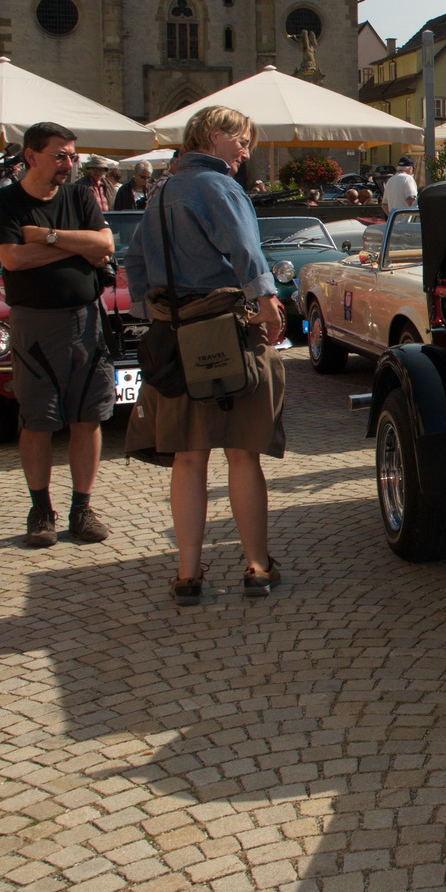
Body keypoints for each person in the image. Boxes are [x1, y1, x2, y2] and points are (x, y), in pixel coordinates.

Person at [124, 106, 287, 605]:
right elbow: (245, 249)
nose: (245, 151)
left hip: (175, 333)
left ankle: (189, 573)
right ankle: (257, 567)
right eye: (240, 141)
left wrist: (149, 312)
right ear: (213, 135)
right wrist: (268, 301)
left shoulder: (160, 191)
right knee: (242, 453)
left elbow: (133, 261)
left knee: (188, 459)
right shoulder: (218, 187)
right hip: (228, 331)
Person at [0, 122, 117, 548]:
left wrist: (49, 236)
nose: (69, 163)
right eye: (60, 155)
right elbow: (13, 258)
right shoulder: (6, 200)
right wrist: (77, 244)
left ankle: (83, 507)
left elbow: (105, 245)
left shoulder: (79, 194)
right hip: (35, 325)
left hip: (86, 319)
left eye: (72, 155)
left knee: (88, 417)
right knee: (38, 420)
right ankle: (40, 508)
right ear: (31, 156)